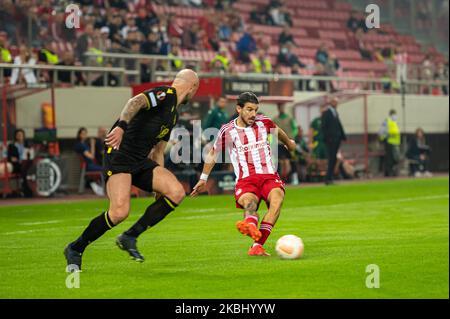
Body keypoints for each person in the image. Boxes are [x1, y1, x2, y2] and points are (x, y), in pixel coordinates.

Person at [64, 69, 200, 271]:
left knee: (176, 192)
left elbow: (159, 151)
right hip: (120, 155)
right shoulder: (166, 94)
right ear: (192, 87)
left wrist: (157, 187)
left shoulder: (173, 116)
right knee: (119, 213)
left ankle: (130, 236)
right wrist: (120, 126)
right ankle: (76, 248)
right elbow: (135, 102)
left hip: (140, 160)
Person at [190, 92, 296, 257]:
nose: (253, 114)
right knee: (250, 204)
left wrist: (289, 143)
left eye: (255, 110)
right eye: (249, 109)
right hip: (246, 181)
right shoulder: (228, 130)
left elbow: (278, 131)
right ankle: (251, 225)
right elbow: (213, 153)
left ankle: (256, 244)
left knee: (277, 200)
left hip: (269, 176)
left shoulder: (264, 122)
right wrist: (203, 178)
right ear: (239, 109)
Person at [321, 97, 346, 185]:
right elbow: (323, 127)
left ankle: (330, 178)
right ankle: (328, 178)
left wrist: (343, 136)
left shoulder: (335, 113)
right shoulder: (327, 113)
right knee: (331, 159)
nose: (336, 104)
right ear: (331, 102)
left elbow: (339, 125)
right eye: (335, 102)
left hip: (336, 139)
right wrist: (328, 138)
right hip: (330, 140)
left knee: (334, 159)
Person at [74, 127, 104, 196]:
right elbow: (91, 156)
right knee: (105, 169)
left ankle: (97, 186)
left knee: (103, 167)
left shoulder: (82, 144)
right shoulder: (81, 145)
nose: (85, 135)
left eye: (85, 134)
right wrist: (93, 144)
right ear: (79, 135)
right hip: (88, 166)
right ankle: (102, 189)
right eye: (83, 134)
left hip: (90, 165)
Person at [273, 104, 298, 183]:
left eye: (283, 107)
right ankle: (278, 178)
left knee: (292, 159)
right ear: (278, 108)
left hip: (289, 141)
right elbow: (272, 131)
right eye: (280, 107)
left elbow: (295, 128)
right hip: (279, 143)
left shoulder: (289, 118)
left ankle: (294, 177)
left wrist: (292, 137)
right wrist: (272, 141)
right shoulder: (275, 119)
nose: (282, 109)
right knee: (280, 160)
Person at [7, 129, 33, 197]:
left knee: (26, 169)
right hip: (17, 165)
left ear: (23, 136)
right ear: (15, 136)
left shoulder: (27, 144)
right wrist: (13, 159)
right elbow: (9, 157)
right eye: (18, 135)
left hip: (27, 164)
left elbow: (31, 154)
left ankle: (26, 189)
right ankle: (22, 190)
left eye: (21, 135)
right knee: (22, 170)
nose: (19, 136)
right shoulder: (12, 145)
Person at [378, 109, 401, 177]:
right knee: (389, 159)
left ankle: (392, 172)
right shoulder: (387, 120)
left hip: (395, 143)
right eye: (394, 114)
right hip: (389, 142)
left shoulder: (395, 122)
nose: (395, 116)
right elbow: (381, 131)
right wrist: (385, 137)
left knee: (395, 158)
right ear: (391, 114)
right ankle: (388, 173)